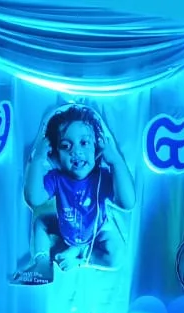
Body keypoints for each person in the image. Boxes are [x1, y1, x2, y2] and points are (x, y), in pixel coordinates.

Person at [10, 103, 136, 285]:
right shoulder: (57, 178)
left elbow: (128, 202)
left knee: (117, 256)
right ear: (55, 154)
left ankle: (81, 258)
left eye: (84, 143)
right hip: (65, 231)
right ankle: (42, 264)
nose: (76, 151)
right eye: (65, 145)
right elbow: (34, 199)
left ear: (97, 148)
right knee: (41, 223)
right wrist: (38, 159)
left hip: (97, 232)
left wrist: (115, 160)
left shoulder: (102, 178)